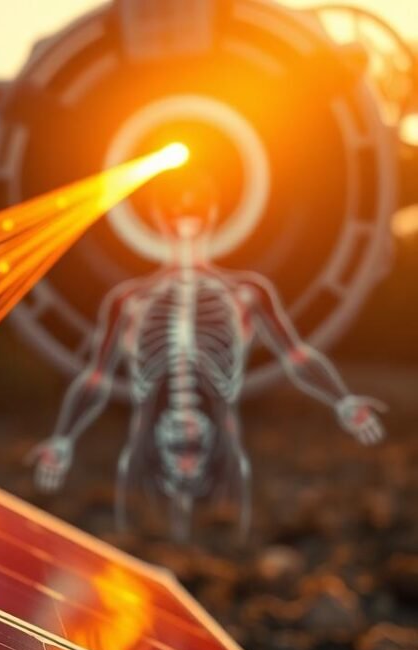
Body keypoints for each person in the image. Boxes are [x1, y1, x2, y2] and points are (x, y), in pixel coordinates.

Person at [29, 176, 384, 540]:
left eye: (195, 201)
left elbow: (295, 355)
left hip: (221, 448)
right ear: (156, 217)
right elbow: (96, 377)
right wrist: (63, 438)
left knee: (224, 547)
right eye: (174, 203)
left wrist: (343, 401)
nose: (185, 209)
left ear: (214, 214)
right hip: (148, 447)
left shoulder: (246, 293)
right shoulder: (130, 299)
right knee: (138, 550)